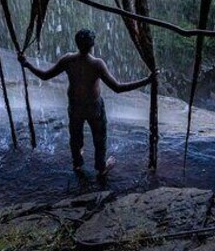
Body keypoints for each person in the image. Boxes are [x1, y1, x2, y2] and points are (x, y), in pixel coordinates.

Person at [19, 29, 155, 177]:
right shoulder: (96, 64)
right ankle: (101, 166)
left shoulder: (68, 59)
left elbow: (45, 76)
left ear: (77, 43)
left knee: (75, 135)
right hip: (93, 108)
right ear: (93, 45)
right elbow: (117, 88)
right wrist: (146, 81)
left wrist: (27, 64)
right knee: (99, 137)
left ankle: (77, 162)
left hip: (75, 107)